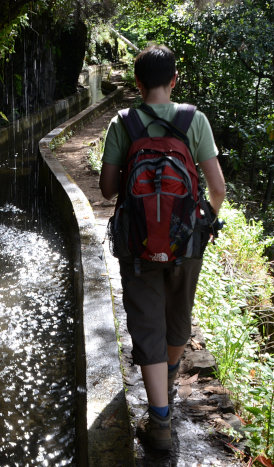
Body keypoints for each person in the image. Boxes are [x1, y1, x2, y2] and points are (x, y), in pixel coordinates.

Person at [99, 44, 226, 451]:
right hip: (186, 241)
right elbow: (218, 188)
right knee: (178, 316)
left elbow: (106, 189)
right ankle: (168, 382)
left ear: (137, 84)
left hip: (137, 244)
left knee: (146, 323)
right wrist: (199, 222)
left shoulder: (124, 122)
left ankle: (159, 425)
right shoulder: (195, 120)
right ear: (174, 80)